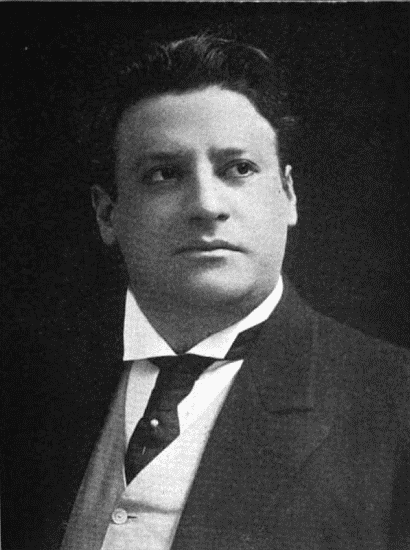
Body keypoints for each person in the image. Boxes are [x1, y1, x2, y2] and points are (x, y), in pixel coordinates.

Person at [5, 34, 409, 550]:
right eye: (163, 174)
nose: (205, 205)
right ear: (107, 214)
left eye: (239, 168)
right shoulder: (28, 386)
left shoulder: (394, 399)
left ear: (288, 194)